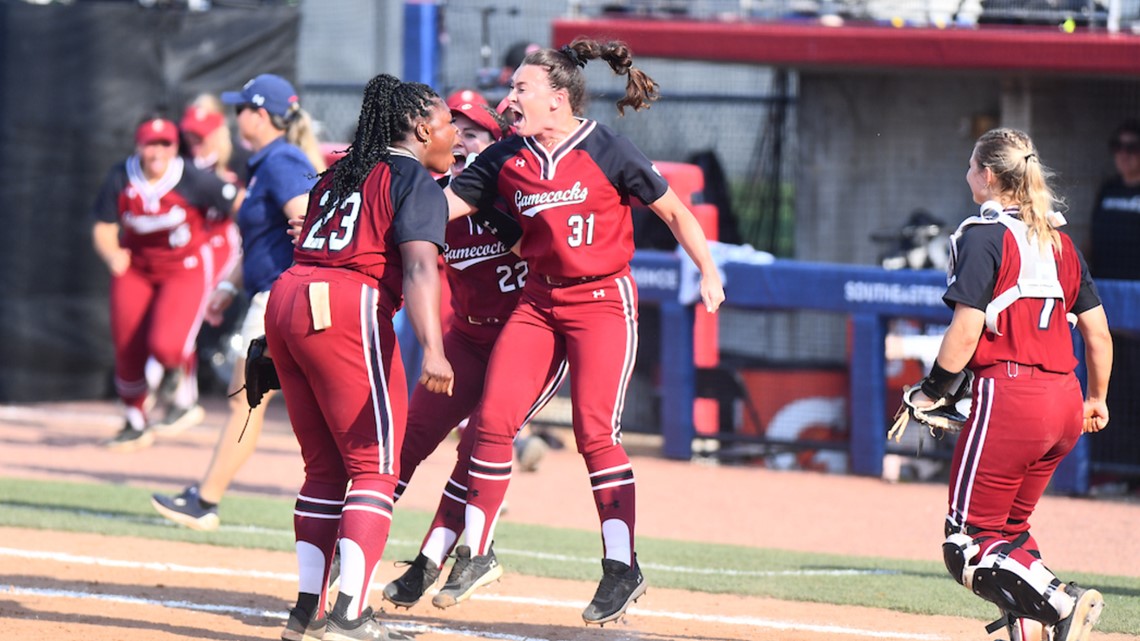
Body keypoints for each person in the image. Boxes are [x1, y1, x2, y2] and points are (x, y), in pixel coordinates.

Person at [429, 38, 725, 626]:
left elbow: (674, 211)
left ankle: (622, 566)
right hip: (539, 301)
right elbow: (438, 208)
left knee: (595, 433)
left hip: (601, 302)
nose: (509, 100)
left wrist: (709, 271)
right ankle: (477, 551)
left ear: (557, 100)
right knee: (491, 421)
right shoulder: (503, 157)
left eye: (521, 89)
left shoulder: (607, 149)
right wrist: (372, 197)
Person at [264, 73, 456, 641]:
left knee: (323, 469)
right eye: (446, 124)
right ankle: (349, 614)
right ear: (421, 129)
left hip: (290, 296)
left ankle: (307, 612)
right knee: (374, 468)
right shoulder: (412, 177)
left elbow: (306, 246)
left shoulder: (343, 169)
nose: (454, 135)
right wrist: (435, 350)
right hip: (346, 304)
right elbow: (421, 267)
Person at [915, 128, 1112, 641]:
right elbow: (1098, 333)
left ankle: (1060, 601)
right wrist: (1096, 398)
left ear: (988, 176)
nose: (966, 176)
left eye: (970, 167)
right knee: (1008, 533)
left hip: (1011, 398)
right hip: (1065, 400)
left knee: (967, 545)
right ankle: (1034, 632)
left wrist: (933, 388)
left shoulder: (982, 235)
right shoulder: (1059, 239)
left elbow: (965, 330)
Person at [379, 93, 568, 609]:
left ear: (498, 141)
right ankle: (356, 533)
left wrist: (497, 213)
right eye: (454, 128)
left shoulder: (520, 189)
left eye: (475, 130)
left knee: (480, 442)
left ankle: (429, 559)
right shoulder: (435, 197)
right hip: (468, 336)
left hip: (528, 339)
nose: (462, 138)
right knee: (411, 436)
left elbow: (556, 242)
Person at [151, 74, 321, 531]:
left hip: (280, 298)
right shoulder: (268, 161)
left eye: (242, 107)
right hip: (274, 292)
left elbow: (310, 222)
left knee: (245, 402)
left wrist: (298, 288)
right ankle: (206, 497)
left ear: (260, 115)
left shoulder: (282, 159)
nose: (236, 115)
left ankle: (206, 500)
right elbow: (265, 239)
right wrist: (230, 283)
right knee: (258, 403)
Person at [92, 116, 236, 451]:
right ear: (138, 145)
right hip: (137, 267)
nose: (156, 151)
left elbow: (237, 203)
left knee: (168, 343)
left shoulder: (190, 176)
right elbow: (102, 226)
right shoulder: (122, 175)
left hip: (183, 266)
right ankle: (135, 421)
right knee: (128, 345)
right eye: (149, 144)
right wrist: (112, 253)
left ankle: (180, 385)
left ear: (174, 147)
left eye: (164, 144)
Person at [1087, 120, 1140, 491]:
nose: (1124, 154)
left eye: (1132, 147)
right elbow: (1093, 242)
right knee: (1112, 393)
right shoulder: (1107, 189)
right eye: (1118, 146)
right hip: (1110, 315)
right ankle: (1112, 472)